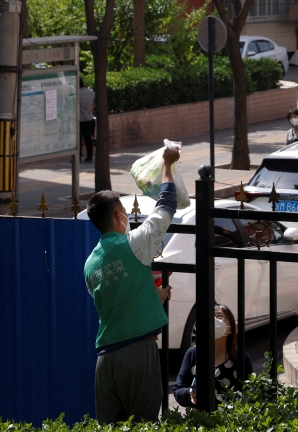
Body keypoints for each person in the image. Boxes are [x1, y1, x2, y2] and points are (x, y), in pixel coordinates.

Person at [84, 145, 180, 424]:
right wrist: (167, 165)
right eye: (124, 211)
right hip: (137, 351)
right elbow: (167, 205)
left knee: (111, 427)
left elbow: (117, 301)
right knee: (144, 424)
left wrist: (154, 298)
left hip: (105, 359)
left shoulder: (90, 265)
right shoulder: (134, 242)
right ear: (118, 216)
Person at [173, 304, 254, 407]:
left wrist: (212, 399)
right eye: (210, 316)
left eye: (219, 316)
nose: (214, 320)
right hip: (199, 420)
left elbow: (249, 395)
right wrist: (191, 393)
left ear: (231, 329)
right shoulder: (192, 353)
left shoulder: (241, 358)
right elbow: (177, 390)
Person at [78, 78, 95, 163]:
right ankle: (89, 157)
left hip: (79, 119)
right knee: (88, 139)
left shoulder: (76, 94)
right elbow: (93, 103)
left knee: (78, 139)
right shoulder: (91, 92)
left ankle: (78, 157)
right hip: (89, 118)